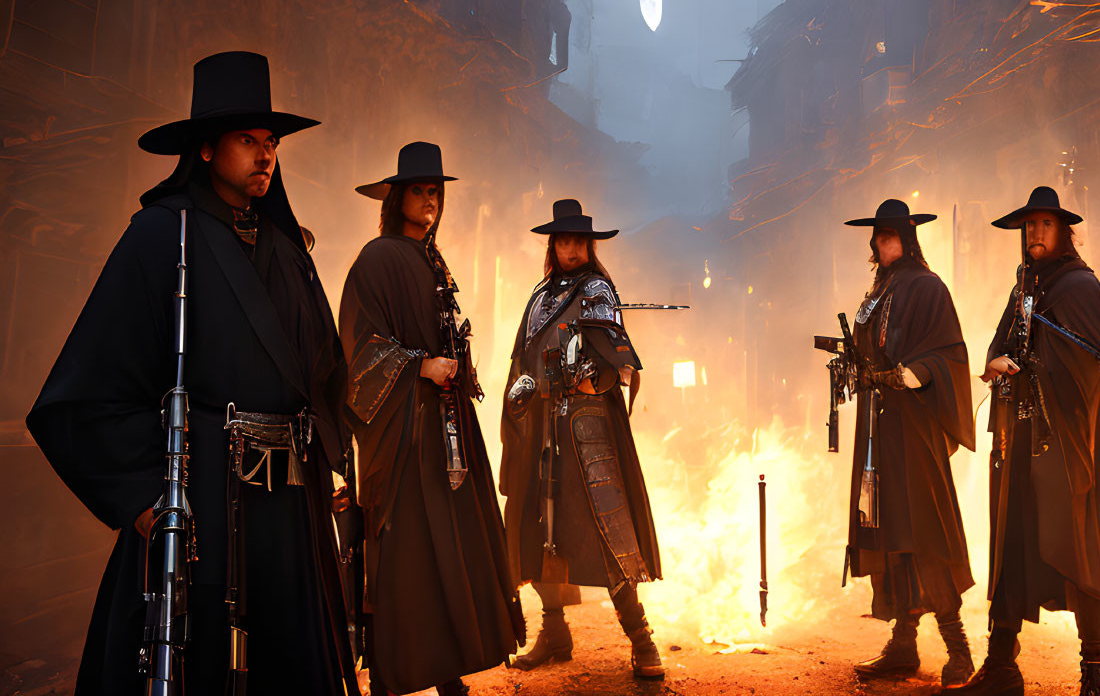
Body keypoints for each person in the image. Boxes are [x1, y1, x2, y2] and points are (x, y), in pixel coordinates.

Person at [29, 50, 358, 695]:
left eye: (271, 143)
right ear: (206, 149)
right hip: (206, 497)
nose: (266, 156)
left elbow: (325, 370)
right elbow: (84, 393)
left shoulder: (290, 252)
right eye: (247, 141)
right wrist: (150, 498)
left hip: (290, 511)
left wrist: (322, 452)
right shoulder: (160, 237)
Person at [339, 142, 523, 696]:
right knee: (410, 553)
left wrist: (457, 367)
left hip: (448, 428)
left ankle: (447, 669)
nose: (429, 200)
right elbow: (359, 349)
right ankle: (395, 674)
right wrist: (420, 366)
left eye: (435, 191)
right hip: (404, 437)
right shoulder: (377, 257)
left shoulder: (433, 258)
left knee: (452, 546)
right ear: (397, 198)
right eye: (419, 190)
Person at [958, 185, 1100, 696]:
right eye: (1029, 226)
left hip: (1068, 441)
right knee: (1012, 538)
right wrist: (996, 363)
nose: (1035, 233)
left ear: (1063, 232)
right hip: (1021, 436)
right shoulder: (1025, 285)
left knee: (1081, 546)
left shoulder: (1079, 285)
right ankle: (1001, 665)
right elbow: (999, 342)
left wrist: (1042, 370)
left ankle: (1093, 675)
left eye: (1045, 225)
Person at [499, 198, 665, 680]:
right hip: (539, 427)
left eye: (578, 241)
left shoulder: (597, 290)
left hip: (583, 431)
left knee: (604, 530)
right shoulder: (541, 294)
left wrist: (592, 381)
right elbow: (521, 358)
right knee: (539, 529)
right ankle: (553, 631)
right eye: (563, 240)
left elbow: (619, 361)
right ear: (554, 245)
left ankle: (641, 637)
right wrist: (519, 400)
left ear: (588, 246)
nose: (570, 249)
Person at [839, 199, 976, 687]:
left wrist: (915, 375)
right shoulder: (879, 289)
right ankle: (902, 645)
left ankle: (959, 649)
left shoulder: (927, 286)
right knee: (891, 529)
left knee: (926, 531)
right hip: (879, 425)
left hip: (914, 428)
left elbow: (949, 351)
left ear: (909, 237)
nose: (882, 242)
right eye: (878, 235)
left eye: (891, 234)